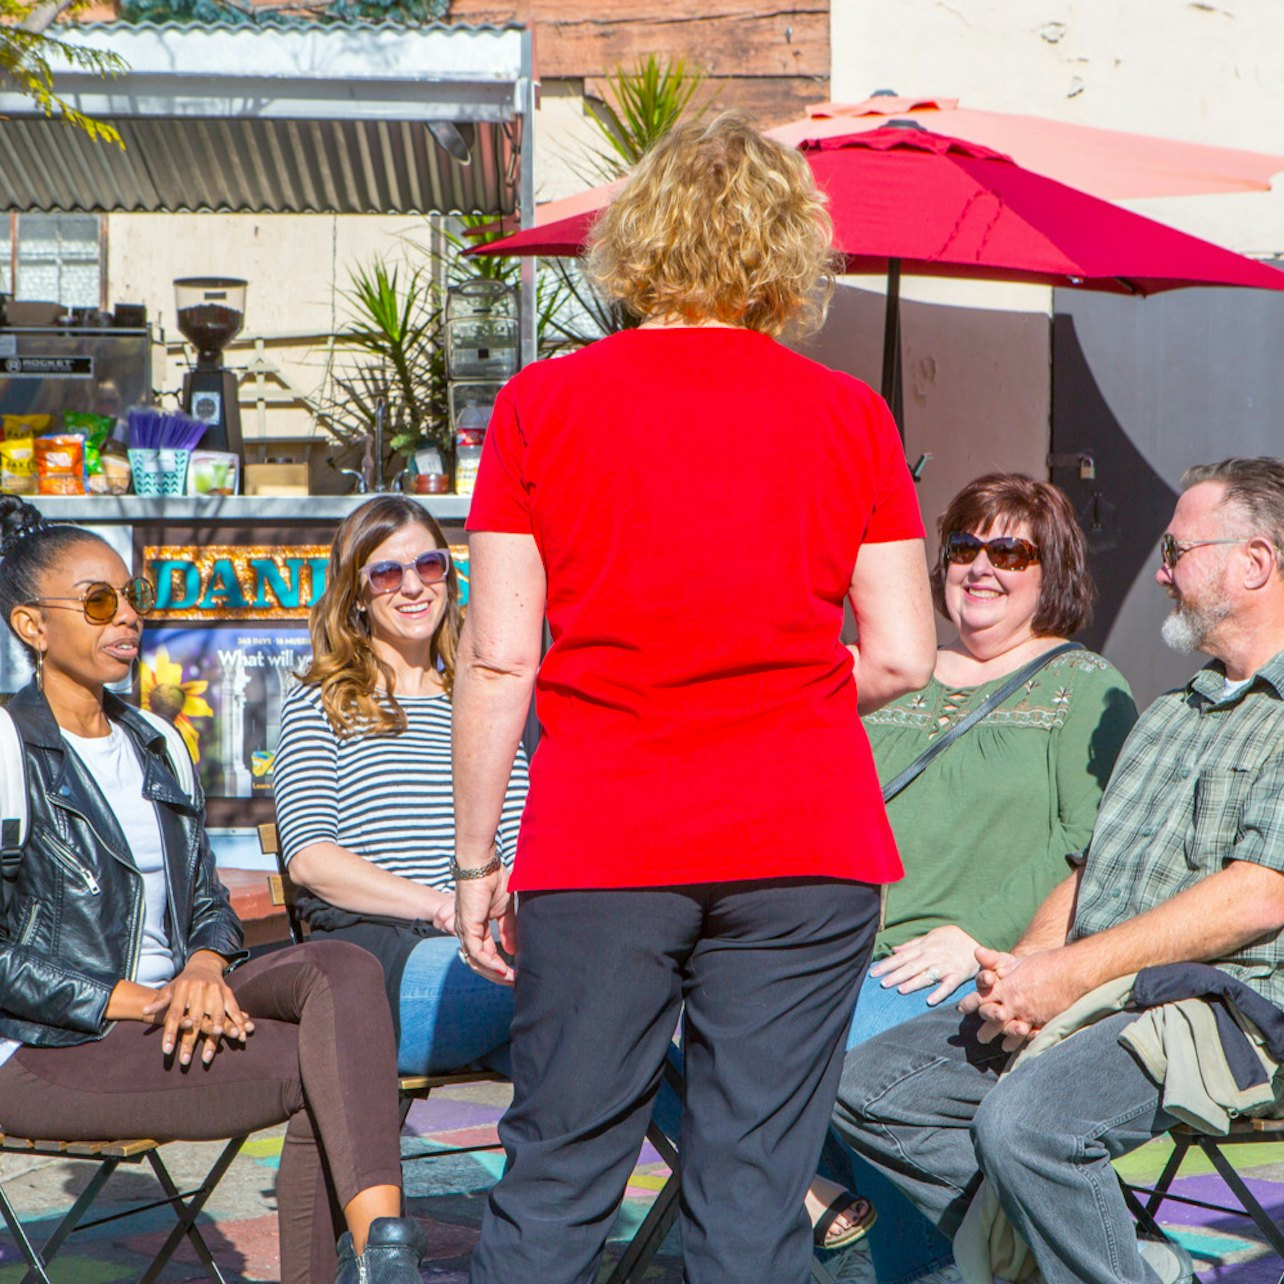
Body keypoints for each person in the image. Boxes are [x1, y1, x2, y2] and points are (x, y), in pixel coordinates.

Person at [450, 111, 938, 1284]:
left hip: (605, 832)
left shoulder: (540, 406)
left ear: (639, 238)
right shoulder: (849, 415)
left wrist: (474, 864)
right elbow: (906, 656)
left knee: (559, 1174)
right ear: (788, 249)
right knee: (752, 1190)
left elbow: (501, 659)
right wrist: (785, 703)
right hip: (803, 835)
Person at [832, 457, 1284, 1284]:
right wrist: (1030, 967)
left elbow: (1259, 894)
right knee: (869, 1086)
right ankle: (1114, 1259)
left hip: (1226, 1001)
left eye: (1177, 551)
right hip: (1101, 985)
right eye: (964, 548)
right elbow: (1093, 866)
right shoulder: (1175, 714)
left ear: (1253, 563)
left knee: (1027, 1125)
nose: (1160, 571)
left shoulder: (1123, 692)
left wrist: (1063, 972)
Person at [0, 495, 426, 1284]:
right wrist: (138, 999)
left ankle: (380, 1255)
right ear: (32, 626)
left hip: (173, 1004)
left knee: (342, 967)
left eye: (134, 596)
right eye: (99, 601)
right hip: (47, 1046)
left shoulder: (157, 739)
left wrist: (201, 965)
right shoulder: (5, 746)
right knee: (326, 1070)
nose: (126, 616)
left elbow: (204, 896)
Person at [815, 473, 1137, 1282]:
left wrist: (979, 938)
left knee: (829, 1060)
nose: (981, 566)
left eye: (1009, 549)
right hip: (835, 942)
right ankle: (824, 1213)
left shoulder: (1084, 685)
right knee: (664, 1030)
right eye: (964, 546)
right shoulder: (899, 671)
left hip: (962, 964)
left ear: (1049, 570)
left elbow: (1087, 845)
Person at [272, 494, 527, 1075]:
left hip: (491, 959)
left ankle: (709, 1167)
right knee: (592, 996)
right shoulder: (323, 701)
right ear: (357, 593)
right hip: (388, 964)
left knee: (606, 1044)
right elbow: (311, 860)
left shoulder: (481, 703)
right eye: (387, 572)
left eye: (429, 565)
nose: (412, 587)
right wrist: (443, 906)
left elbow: (518, 840)